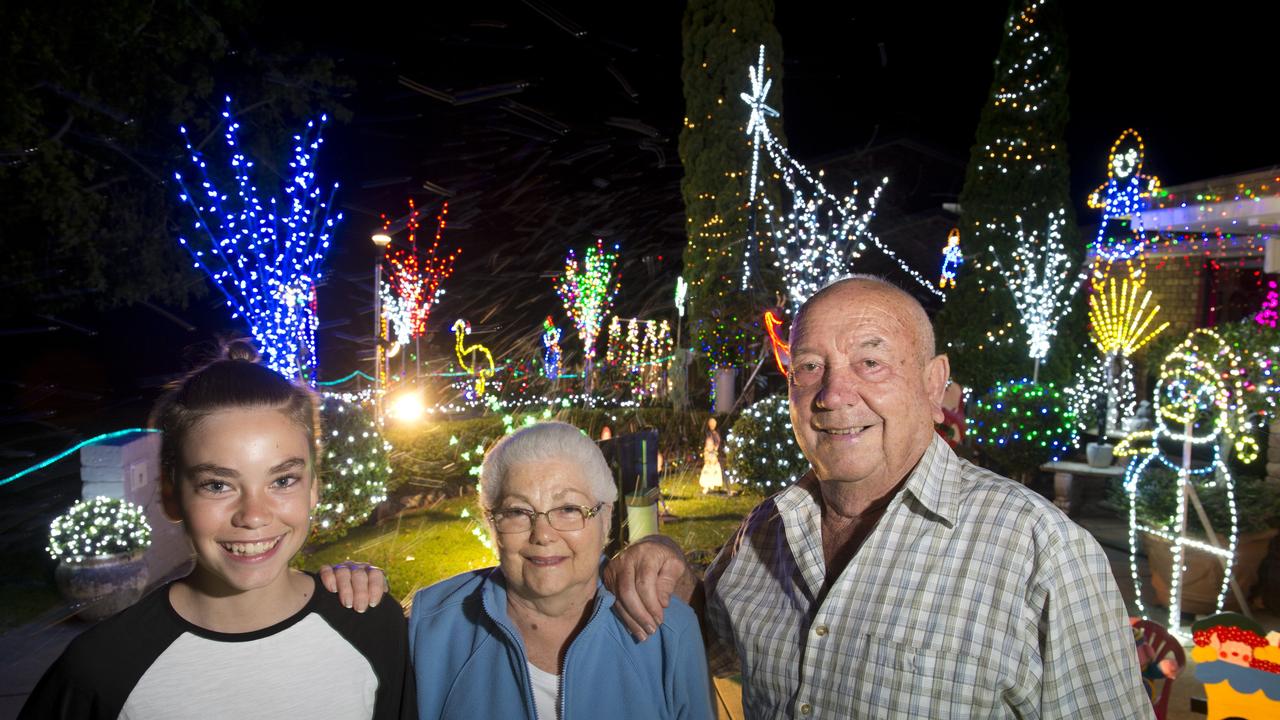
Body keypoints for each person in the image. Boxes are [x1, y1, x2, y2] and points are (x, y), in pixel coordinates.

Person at [603, 276, 1154, 718]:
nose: (834, 394)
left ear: (935, 385)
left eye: (871, 362)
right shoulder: (765, 530)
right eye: (810, 367)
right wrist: (674, 582)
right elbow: (705, 651)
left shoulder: (1042, 551)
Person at [21, 340, 415, 719]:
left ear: (314, 488)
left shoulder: (374, 626)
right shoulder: (101, 668)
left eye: (282, 481)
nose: (254, 515)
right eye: (217, 485)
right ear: (171, 495)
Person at [407, 421, 712, 720]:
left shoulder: (670, 631)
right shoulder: (429, 628)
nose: (543, 534)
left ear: (604, 518)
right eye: (516, 512)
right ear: (492, 525)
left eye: (568, 509)